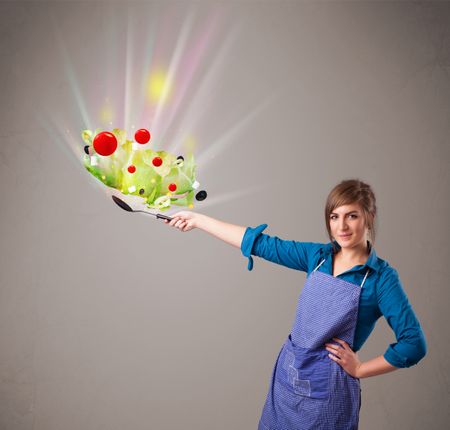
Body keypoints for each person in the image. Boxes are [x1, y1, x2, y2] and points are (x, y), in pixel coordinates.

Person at [163, 179, 427, 429]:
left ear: (369, 217)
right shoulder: (318, 257)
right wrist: (198, 220)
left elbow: (413, 344)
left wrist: (359, 369)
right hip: (288, 380)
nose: (342, 226)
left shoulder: (381, 279)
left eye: (352, 216)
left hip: (329, 393)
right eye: (334, 217)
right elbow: (259, 244)